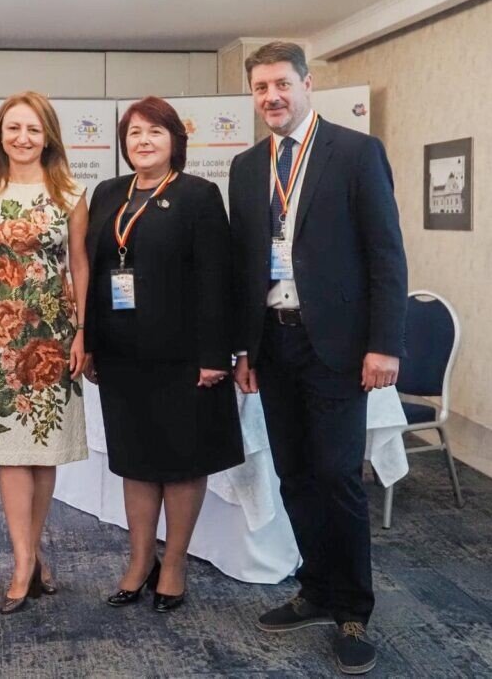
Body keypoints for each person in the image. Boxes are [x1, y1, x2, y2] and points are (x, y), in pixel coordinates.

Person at [229, 42, 407, 675]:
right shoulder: (246, 166)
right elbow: (244, 265)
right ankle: (316, 588)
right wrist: (243, 348)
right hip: (273, 342)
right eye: (260, 87)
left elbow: (386, 255)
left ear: (307, 84)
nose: (271, 96)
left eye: (282, 83)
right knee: (295, 474)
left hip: (336, 346)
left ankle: (352, 608)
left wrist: (384, 344)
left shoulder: (356, 153)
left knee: (336, 475)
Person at [83, 96, 244, 614]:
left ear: (175, 140)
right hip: (121, 356)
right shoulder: (108, 193)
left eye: (155, 131)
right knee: (135, 462)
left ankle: (173, 564)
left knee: (181, 462)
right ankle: (139, 561)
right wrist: (90, 342)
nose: (144, 141)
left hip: (184, 358)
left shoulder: (198, 194)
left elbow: (217, 278)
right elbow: (92, 273)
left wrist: (215, 353)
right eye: (134, 133)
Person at [0, 92, 89, 614]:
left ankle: (31, 551)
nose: (23, 138)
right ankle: (24, 559)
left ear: (48, 136)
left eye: (33, 129)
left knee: (42, 448)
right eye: (13, 129)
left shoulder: (71, 193)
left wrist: (83, 332)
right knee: (10, 449)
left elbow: (80, 265)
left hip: (52, 334)